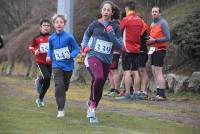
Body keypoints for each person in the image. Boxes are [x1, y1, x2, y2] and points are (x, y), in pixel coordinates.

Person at [81, 1, 122, 123]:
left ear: (112, 12)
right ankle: (92, 108)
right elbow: (86, 35)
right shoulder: (95, 24)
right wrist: (84, 46)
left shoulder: (115, 26)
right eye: (104, 9)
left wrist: (111, 33)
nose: (106, 11)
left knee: (99, 83)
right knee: (98, 77)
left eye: (108, 10)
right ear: (101, 11)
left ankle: (92, 105)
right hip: (93, 55)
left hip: (107, 60)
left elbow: (119, 45)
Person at [46, 14, 80, 117]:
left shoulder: (69, 37)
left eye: (61, 22)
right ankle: (60, 110)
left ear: (64, 24)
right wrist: (48, 56)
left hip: (68, 66)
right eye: (57, 22)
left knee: (64, 86)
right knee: (59, 86)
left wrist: (71, 55)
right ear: (54, 25)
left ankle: (61, 93)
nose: (59, 24)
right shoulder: (51, 38)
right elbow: (51, 49)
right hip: (56, 65)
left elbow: (77, 49)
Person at [116, 1, 144, 100]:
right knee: (135, 71)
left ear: (127, 9)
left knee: (127, 71)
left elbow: (119, 31)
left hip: (126, 49)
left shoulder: (126, 19)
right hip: (136, 49)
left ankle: (127, 93)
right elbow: (144, 32)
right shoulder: (140, 20)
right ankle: (136, 93)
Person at [146, 6, 170, 101]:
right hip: (153, 49)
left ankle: (162, 95)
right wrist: (149, 41)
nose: (154, 13)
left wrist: (155, 40)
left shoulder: (163, 23)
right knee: (154, 71)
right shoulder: (152, 24)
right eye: (153, 12)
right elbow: (152, 37)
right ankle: (158, 93)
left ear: (160, 13)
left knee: (158, 71)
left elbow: (167, 37)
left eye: (156, 12)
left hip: (160, 50)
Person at [29, 18, 52, 107]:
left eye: (48, 26)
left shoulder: (52, 37)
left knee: (48, 82)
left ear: (50, 28)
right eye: (44, 25)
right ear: (40, 27)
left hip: (50, 62)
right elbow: (31, 47)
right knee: (46, 76)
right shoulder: (36, 38)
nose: (46, 27)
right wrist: (35, 51)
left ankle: (40, 99)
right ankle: (39, 80)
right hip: (41, 61)